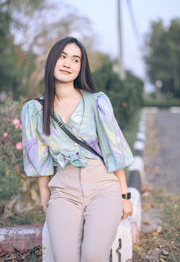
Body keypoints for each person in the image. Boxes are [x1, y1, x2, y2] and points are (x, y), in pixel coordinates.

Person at [21, 36, 134, 262]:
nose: (67, 64)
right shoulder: (35, 110)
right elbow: (39, 156)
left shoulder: (96, 102)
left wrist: (124, 195)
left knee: (93, 256)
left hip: (103, 187)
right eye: (62, 57)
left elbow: (114, 150)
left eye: (75, 60)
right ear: (52, 60)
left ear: (81, 68)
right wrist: (46, 193)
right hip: (64, 190)